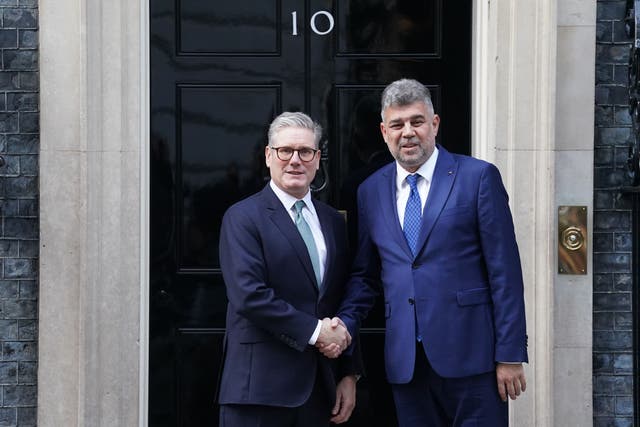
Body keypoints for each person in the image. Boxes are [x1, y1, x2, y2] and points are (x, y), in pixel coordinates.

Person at [331, 79, 528, 426]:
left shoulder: (478, 178)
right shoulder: (369, 191)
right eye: (397, 124)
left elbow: (505, 272)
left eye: (416, 122)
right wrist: (344, 325)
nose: (408, 133)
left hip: (474, 359)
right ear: (383, 132)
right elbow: (365, 275)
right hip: (407, 364)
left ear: (434, 124)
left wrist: (510, 355)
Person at [217, 112, 361, 427]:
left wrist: (349, 372)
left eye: (305, 151)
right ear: (269, 156)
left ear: (318, 158)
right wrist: (316, 332)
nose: (295, 160)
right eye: (285, 151)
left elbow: (339, 296)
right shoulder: (242, 218)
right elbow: (249, 296)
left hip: (319, 392)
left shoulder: (333, 222)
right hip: (258, 392)